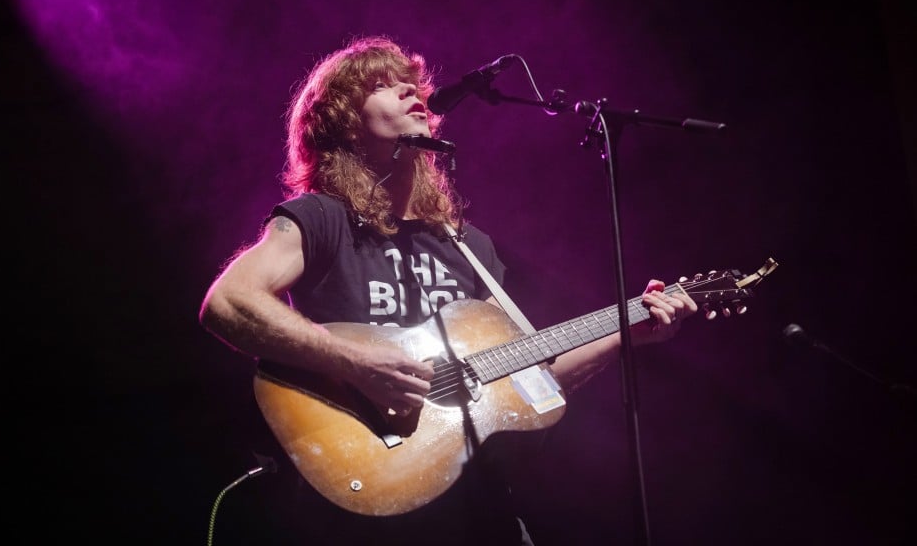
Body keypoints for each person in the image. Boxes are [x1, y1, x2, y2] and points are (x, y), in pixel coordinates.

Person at [199, 35, 698, 545]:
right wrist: (356, 363)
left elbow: (527, 387)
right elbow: (229, 301)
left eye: (412, 85)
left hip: (480, 513)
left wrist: (626, 333)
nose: (413, 94)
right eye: (383, 87)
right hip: (364, 505)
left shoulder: (469, 247)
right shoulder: (321, 218)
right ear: (343, 122)